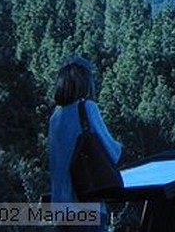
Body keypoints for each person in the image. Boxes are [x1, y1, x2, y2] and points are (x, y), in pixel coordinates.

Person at [48, 56, 122, 231]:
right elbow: (112, 153)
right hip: (86, 204)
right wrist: (119, 145)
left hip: (61, 207)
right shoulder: (87, 108)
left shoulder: (55, 117)